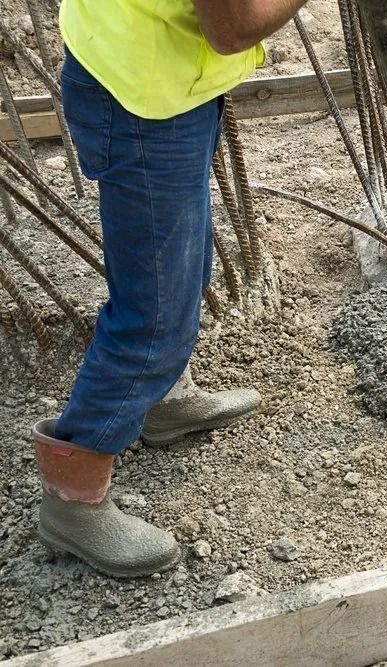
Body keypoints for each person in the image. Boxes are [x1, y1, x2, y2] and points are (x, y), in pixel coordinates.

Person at [32, 0, 309, 578]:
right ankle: (71, 500)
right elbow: (232, 27)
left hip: (154, 68)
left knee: (180, 266)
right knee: (154, 318)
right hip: (143, 97)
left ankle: (162, 401)